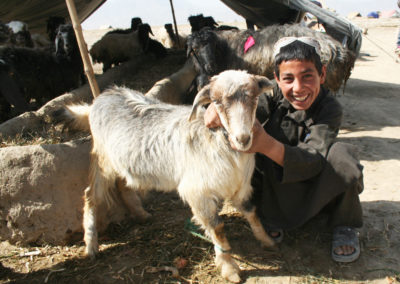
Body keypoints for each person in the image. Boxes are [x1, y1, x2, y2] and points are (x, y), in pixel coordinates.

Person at [204, 36, 364, 263]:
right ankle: (272, 215)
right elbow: (246, 106)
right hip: (275, 186)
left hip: (313, 181)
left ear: (323, 74)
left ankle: (344, 223)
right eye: (288, 78)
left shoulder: (330, 109)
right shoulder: (269, 96)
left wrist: (268, 145)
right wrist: (217, 105)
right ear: (276, 79)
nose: (298, 88)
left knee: (343, 157)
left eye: (307, 76)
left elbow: (314, 159)